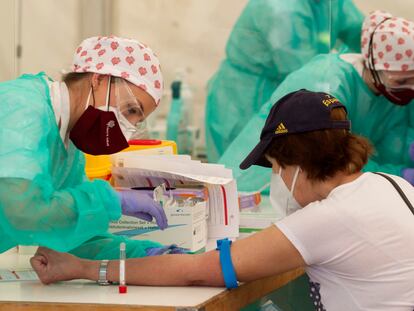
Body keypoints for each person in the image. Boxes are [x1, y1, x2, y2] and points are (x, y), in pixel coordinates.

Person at [30, 90, 414, 310]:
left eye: (278, 166)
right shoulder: (389, 185)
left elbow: (199, 270)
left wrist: (82, 268)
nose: (279, 178)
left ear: (300, 161)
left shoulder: (330, 219)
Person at [0, 36, 176, 259]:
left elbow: (70, 232)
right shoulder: (22, 108)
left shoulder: (68, 146)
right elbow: (22, 212)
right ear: (99, 79)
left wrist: (145, 253)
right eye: (131, 109)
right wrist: (112, 200)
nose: (127, 128)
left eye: (137, 121)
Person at [219, 11, 414, 203]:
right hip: (263, 187)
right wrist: (398, 176)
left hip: (316, 187)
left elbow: (394, 141)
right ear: (375, 64)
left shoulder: (390, 92)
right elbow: (330, 159)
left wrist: (402, 170)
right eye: (403, 79)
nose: (410, 87)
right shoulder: (326, 82)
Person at [205, 0, 364, 162]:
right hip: (241, 100)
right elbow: (304, 74)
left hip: (285, 91)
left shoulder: (331, 3)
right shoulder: (282, 9)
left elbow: (361, 34)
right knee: (239, 168)